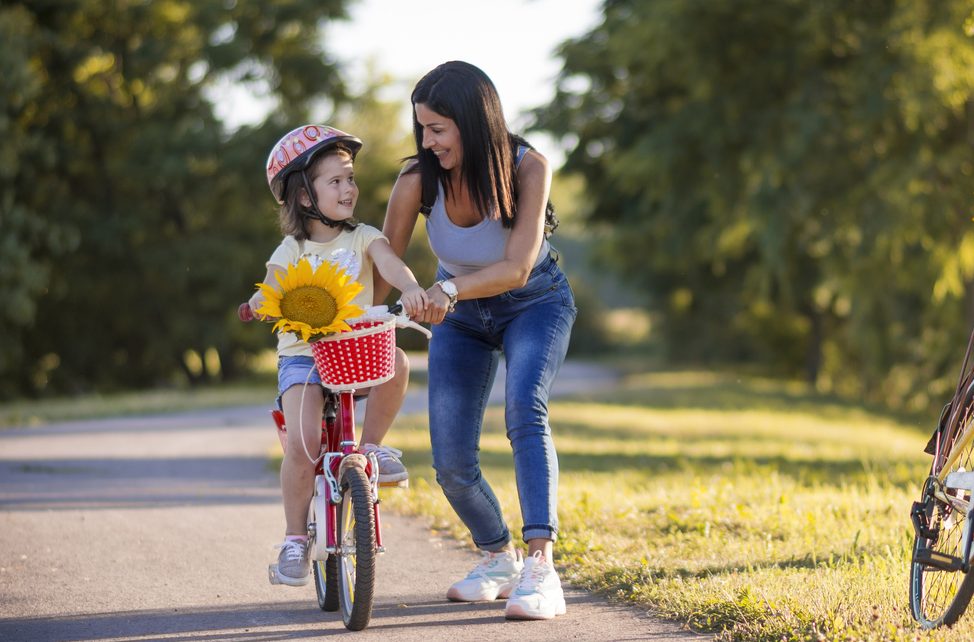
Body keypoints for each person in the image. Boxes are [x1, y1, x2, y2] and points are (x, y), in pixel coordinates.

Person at [378, 61, 577, 620]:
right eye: (422, 128)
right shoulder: (418, 180)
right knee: (450, 461)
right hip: (460, 316)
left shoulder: (528, 167)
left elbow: (516, 268)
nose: (427, 141)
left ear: (472, 121)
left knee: (525, 411)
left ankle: (541, 567)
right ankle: (498, 557)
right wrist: (349, 314)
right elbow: (382, 260)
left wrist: (445, 288)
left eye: (438, 129)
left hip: (535, 301)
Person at [241, 124, 429, 587]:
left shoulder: (363, 237)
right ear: (305, 196)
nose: (349, 188)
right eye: (336, 180)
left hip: (354, 348)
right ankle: (294, 538)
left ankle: (370, 448)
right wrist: (260, 302)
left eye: (350, 178)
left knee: (397, 363)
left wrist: (410, 288)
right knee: (304, 444)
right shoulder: (292, 249)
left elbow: (391, 263)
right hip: (304, 357)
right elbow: (273, 286)